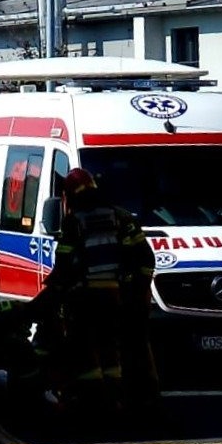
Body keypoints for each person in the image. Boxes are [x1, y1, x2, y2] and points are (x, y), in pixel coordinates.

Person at [50, 168, 159, 417]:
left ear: (69, 195)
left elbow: (65, 264)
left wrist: (55, 291)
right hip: (120, 298)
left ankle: (96, 403)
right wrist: (137, 292)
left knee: (88, 350)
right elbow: (145, 258)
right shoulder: (121, 217)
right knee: (119, 349)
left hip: (86, 300)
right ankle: (131, 399)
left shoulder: (74, 222)